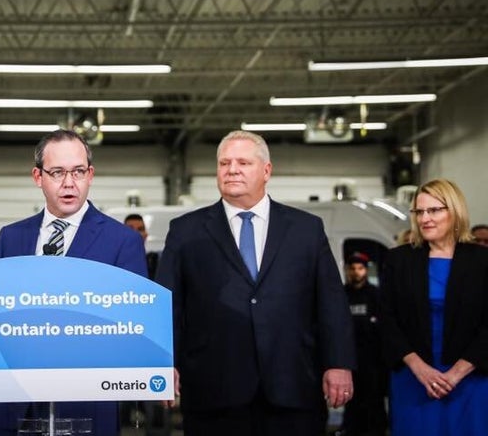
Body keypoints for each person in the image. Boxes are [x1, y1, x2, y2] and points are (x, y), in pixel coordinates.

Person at [155, 130, 355, 436]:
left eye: (243, 162)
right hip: (214, 392)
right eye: (224, 163)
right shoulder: (185, 231)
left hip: (293, 388)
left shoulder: (306, 229)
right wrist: (162, 362)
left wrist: (339, 363)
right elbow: (168, 304)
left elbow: (331, 303)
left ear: (266, 171)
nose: (232, 169)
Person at [0, 129, 148, 436]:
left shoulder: (122, 241)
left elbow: (134, 328)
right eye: (57, 172)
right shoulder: (11, 237)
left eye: (78, 171)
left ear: (91, 174)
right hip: (14, 403)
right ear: (38, 177)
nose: (69, 182)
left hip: (85, 405)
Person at [379, 178, 488, 436]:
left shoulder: (482, 261)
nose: (425, 218)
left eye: (434, 210)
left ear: (454, 211)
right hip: (413, 378)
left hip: (471, 378)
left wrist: (455, 374)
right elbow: (387, 320)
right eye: (419, 211)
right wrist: (421, 369)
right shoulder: (399, 260)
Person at [339, 252, 388, 436]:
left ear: (366, 271)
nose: (356, 272)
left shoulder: (376, 295)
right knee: (351, 400)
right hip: (349, 359)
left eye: (360, 268)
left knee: (374, 401)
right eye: (352, 268)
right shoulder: (341, 294)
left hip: (373, 360)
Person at [124, 213, 160, 280]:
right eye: (130, 229)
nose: (135, 234)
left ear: (145, 235)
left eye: (140, 229)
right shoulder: (112, 263)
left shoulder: (157, 264)